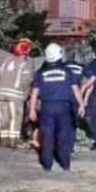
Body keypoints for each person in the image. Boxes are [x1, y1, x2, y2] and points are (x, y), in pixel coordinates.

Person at [28, 43, 85, 171]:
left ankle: (47, 165)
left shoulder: (40, 73)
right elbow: (75, 89)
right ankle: (65, 164)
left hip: (47, 107)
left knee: (47, 136)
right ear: (60, 55)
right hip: (64, 107)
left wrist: (32, 109)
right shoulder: (67, 71)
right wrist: (81, 105)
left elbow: (34, 93)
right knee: (63, 135)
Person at [0, 38, 34, 148]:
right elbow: (26, 81)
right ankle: (13, 142)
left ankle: (4, 141)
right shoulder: (24, 64)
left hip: (1, 94)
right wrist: (25, 95)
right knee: (15, 118)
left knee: (4, 118)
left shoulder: (6, 61)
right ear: (26, 51)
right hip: (15, 95)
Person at [64, 50, 84, 153]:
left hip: (64, 96)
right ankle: (71, 145)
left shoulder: (63, 67)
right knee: (73, 122)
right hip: (76, 97)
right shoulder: (80, 67)